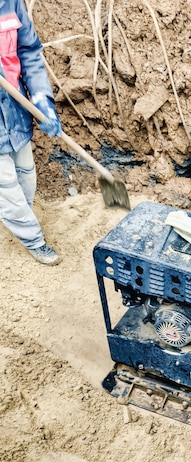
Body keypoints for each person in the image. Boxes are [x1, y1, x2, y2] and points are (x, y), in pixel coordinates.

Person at [0, 0, 62, 265]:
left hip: (15, 110)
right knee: (6, 186)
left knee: (26, 172)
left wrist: (42, 101)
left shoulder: (9, 2)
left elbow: (28, 52)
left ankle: (17, 214)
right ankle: (33, 238)